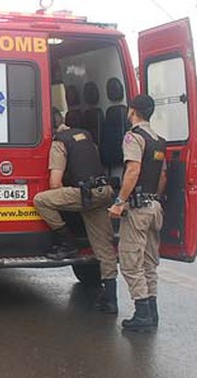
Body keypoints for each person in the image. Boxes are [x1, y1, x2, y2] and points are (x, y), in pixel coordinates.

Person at [33, 111, 119, 313]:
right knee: (104, 248)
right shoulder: (86, 136)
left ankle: (67, 243)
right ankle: (111, 299)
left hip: (84, 195)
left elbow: (54, 184)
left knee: (41, 201)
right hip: (104, 192)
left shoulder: (59, 142)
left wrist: (68, 196)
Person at [108, 94, 167, 332]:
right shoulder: (159, 140)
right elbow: (162, 176)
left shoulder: (133, 137)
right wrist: (154, 198)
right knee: (149, 262)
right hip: (154, 207)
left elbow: (132, 170)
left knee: (131, 262)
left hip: (138, 209)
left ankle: (142, 312)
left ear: (132, 111)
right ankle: (152, 311)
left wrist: (120, 202)